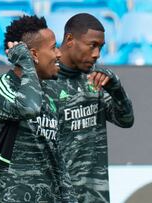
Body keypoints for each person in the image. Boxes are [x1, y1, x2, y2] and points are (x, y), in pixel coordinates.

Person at [46, 13, 134, 202]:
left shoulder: (96, 80)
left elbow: (126, 120)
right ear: (70, 40)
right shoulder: (44, 80)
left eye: (100, 47)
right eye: (92, 45)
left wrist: (116, 88)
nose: (97, 54)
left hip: (96, 196)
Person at [0, 15, 65, 202]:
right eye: (53, 48)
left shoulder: (50, 92)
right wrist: (26, 63)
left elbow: (57, 161)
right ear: (33, 54)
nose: (59, 54)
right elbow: (29, 108)